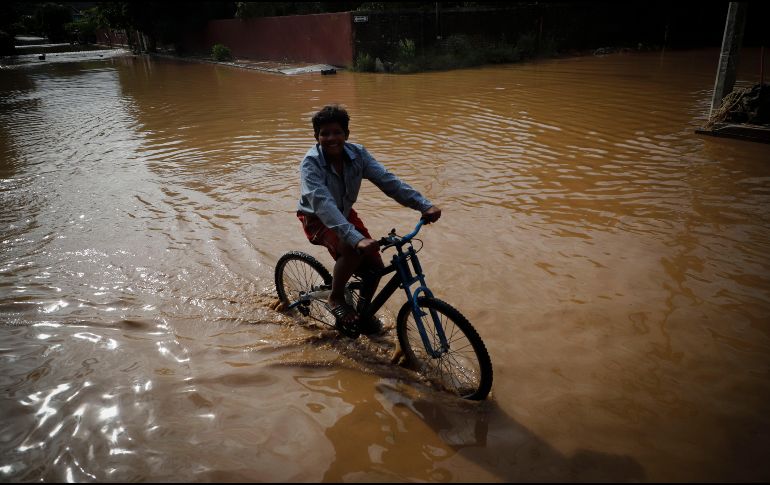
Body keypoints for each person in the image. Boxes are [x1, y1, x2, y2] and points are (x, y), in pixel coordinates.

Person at [296, 105, 441, 335]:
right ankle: (335, 298)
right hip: (317, 218)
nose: (331, 138)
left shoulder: (358, 155)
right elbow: (323, 204)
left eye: (337, 132)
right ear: (317, 137)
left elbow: (388, 181)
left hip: (344, 213)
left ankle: (363, 313)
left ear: (347, 134)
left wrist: (424, 205)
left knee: (375, 267)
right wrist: (355, 239)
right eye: (325, 133)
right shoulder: (310, 164)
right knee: (353, 249)